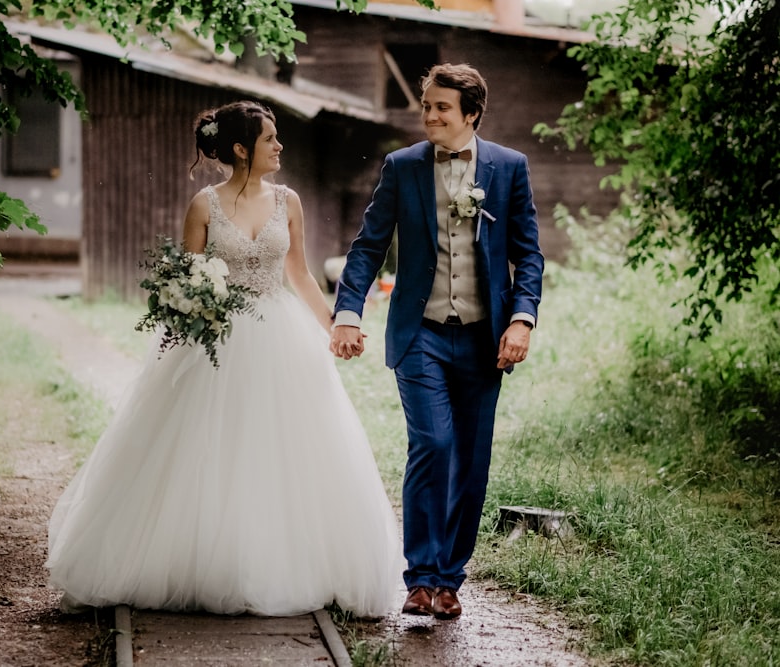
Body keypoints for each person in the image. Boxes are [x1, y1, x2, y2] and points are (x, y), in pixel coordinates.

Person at [46, 100, 402, 618]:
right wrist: (181, 329)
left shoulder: (289, 201)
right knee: (211, 444)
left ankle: (282, 557)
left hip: (282, 335)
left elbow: (299, 273)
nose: (279, 146)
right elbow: (189, 281)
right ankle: (203, 561)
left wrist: (336, 325)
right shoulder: (203, 205)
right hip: (217, 340)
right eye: (269, 139)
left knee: (282, 447)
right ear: (241, 149)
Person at [330, 63, 544, 620]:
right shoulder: (402, 168)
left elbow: (529, 252)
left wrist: (522, 318)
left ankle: (450, 578)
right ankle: (420, 577)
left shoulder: (509, 167)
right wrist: (347, 311)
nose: (429, 115)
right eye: (426, 105)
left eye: (441, 107)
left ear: (470, 113)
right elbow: (367, 245)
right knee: (434, 443)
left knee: (471, 460)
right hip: (420, 333)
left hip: (482, 339)